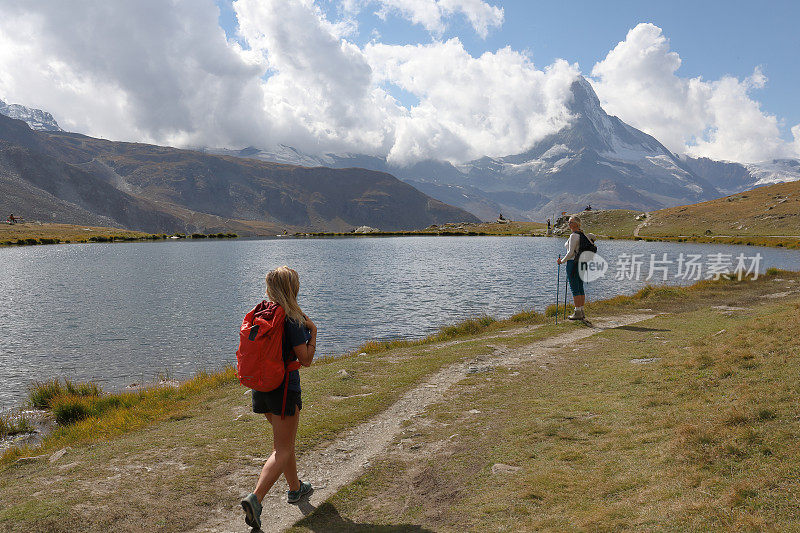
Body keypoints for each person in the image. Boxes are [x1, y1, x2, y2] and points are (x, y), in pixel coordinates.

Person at [241, 266, 317, 530]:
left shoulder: (261, 313)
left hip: (260, 387)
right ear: (292, 288)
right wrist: (314, 333)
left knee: (284, 443)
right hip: (283, 388)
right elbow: (305, 360)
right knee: (282, 448)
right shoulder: (293, 319)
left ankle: (295, 489)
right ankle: (256, 498)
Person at [556, 216, 596, 320]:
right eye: (569, 222)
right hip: (582, 263)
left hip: (572, 263)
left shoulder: (574, 236)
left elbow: (570, 253)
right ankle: (581, 311)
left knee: (574, 289)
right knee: (580, 287)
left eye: (571, 222)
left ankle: (577, 312)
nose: (569, 224)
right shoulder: (582, 235)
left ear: (576, 224)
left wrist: (561, 261)